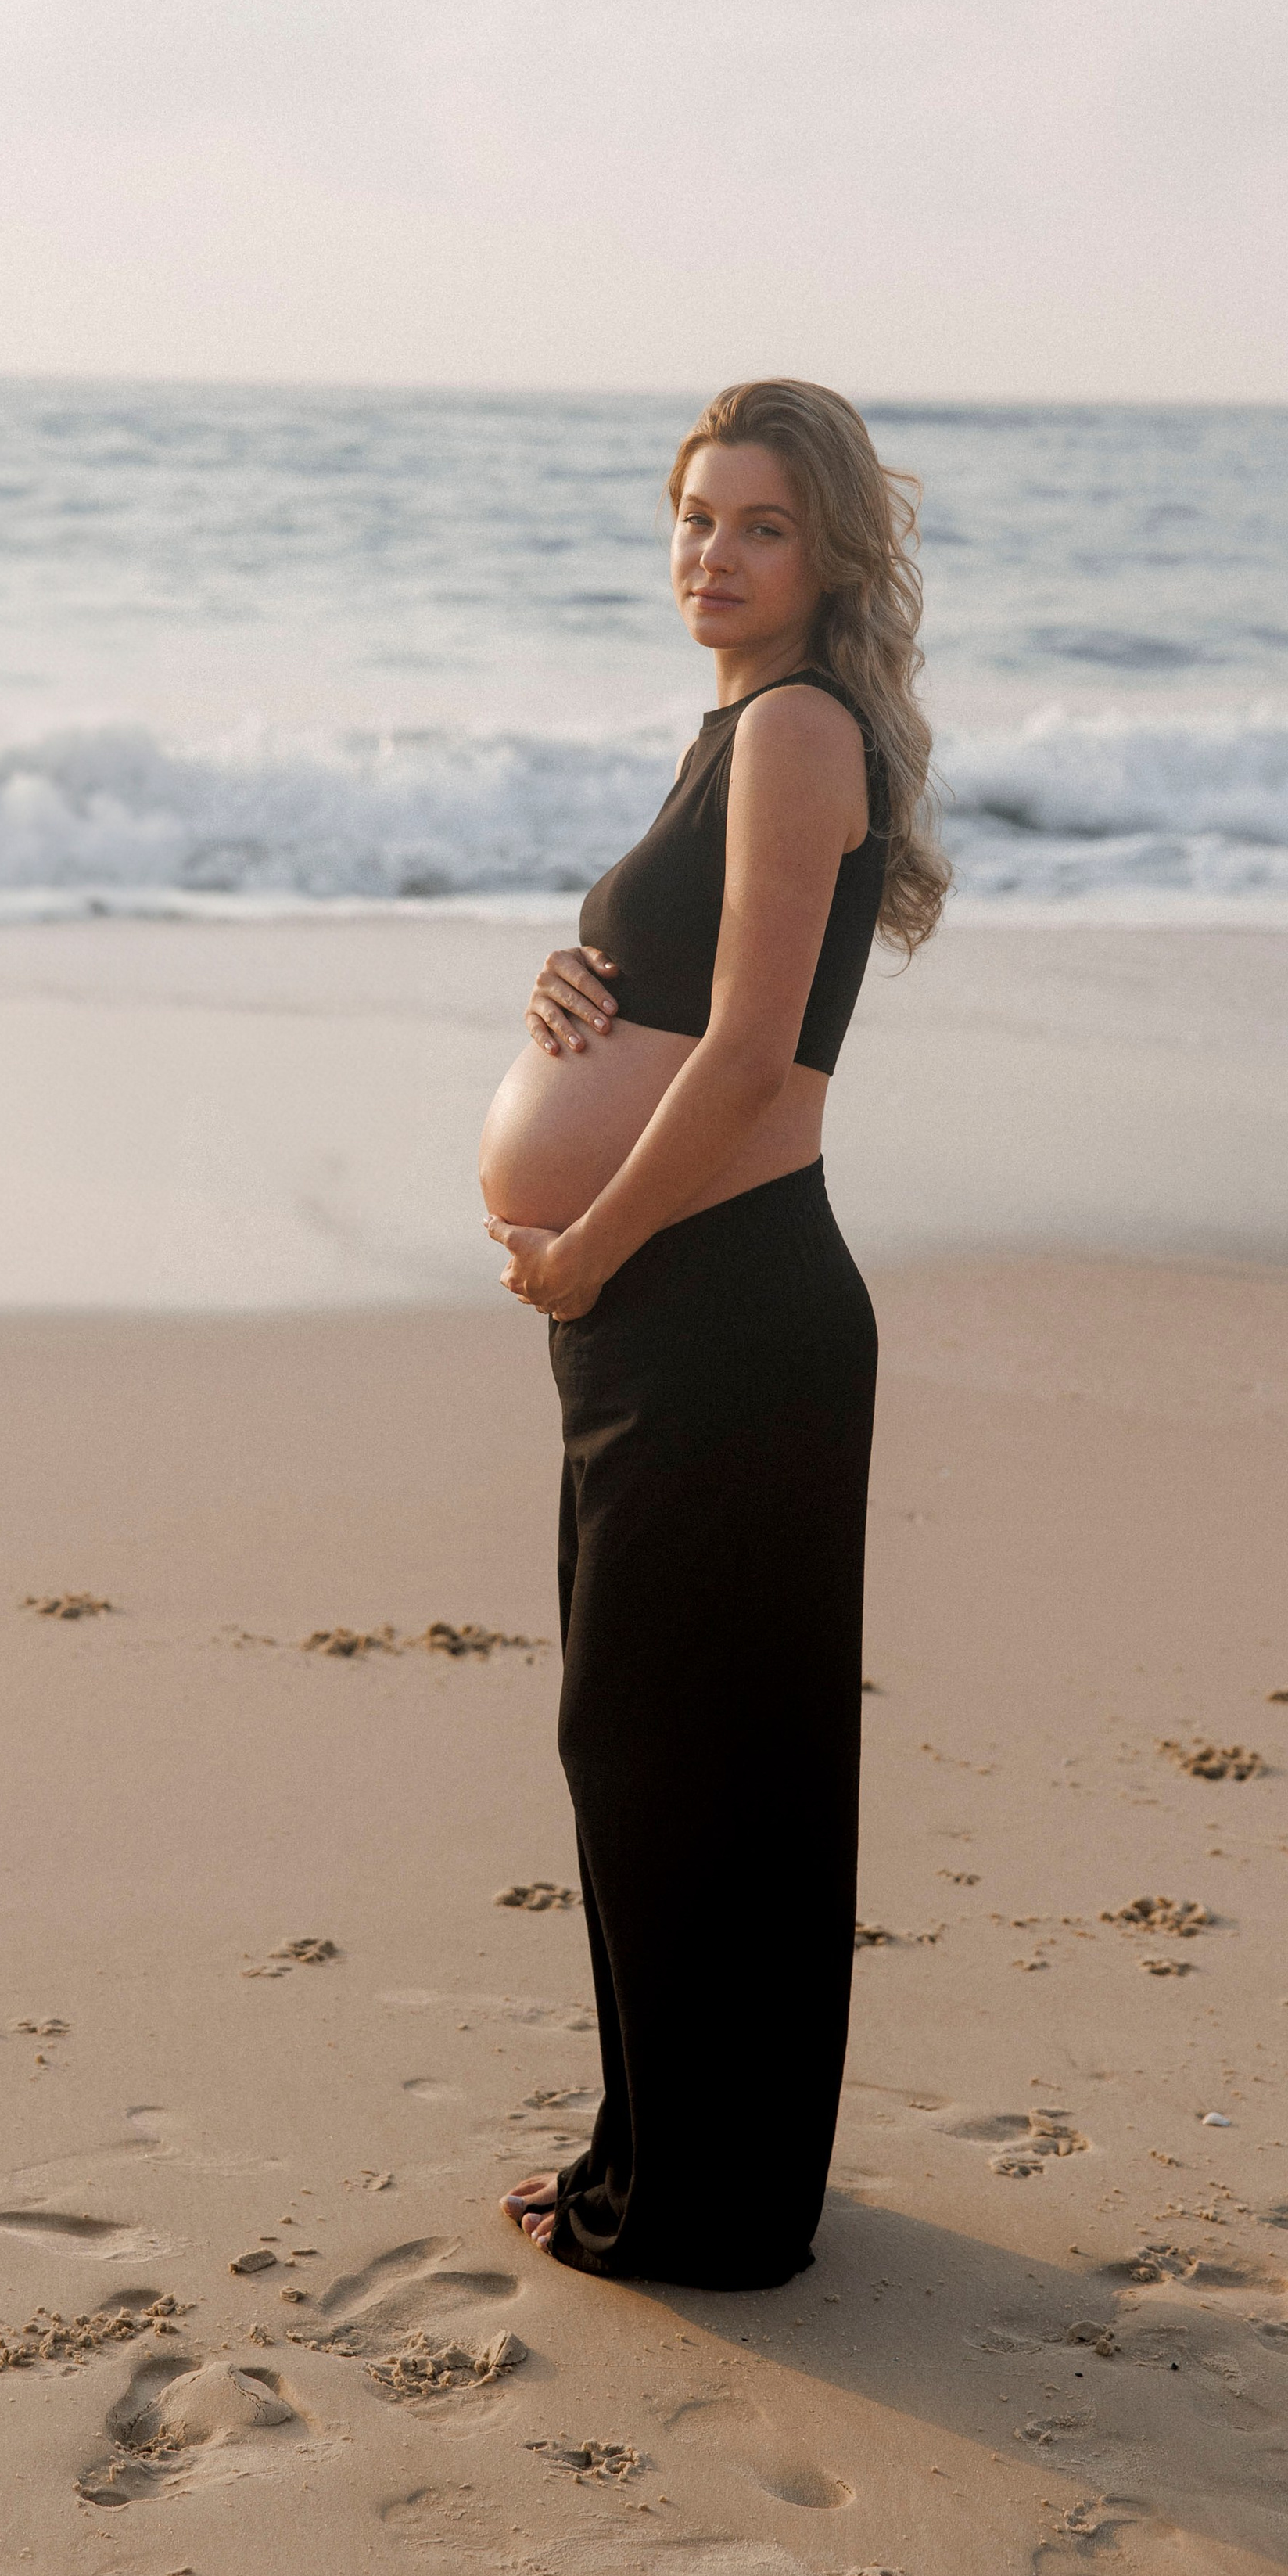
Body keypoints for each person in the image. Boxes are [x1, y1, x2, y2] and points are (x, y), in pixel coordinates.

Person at [475, 377, 948, 2291]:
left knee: (680, 1752)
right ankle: (660, 2155)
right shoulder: (743, 730)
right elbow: (694, 994)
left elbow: (754, 1055)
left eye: (754, 523)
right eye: (689, 518)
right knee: (651, 1739)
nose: (710, 554)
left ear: (826, 548)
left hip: (718, 1290)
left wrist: (586, 1238)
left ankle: (698, 2199)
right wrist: (571, 978)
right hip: (676, 1291)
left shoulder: (799, 726)